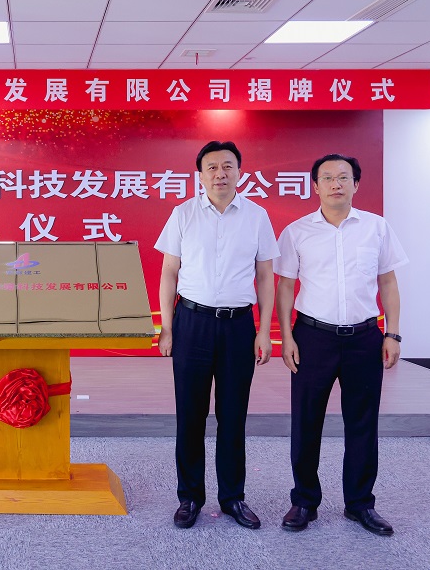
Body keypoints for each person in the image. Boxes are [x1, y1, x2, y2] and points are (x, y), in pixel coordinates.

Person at [275, 153, 407, 536]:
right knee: (306, 422)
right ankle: (304, 501)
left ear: (356, 184)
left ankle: (360, 504)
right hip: (312, 338)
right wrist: (286, 337)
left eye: (344, 177)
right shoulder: (296, 232)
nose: (336, 183)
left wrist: (393, 333)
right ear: (315, 186)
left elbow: (388, 282)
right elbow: (285, 287)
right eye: (328, 177)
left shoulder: (376, 228)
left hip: (365, 338)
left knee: (363, 422)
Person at [154, 141, 279, 530]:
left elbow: (265, 276)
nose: (220, 173)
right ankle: (190, 497)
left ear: (240, 172)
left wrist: (264, 330)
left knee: (233, 416)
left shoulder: (256, 216)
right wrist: (167, 328)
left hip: (238, 326)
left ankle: (232, 498)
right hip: (192, 323)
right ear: (200, 174)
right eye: (212, 167)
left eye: (227, 166)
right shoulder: (183, 214)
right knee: (190, 415)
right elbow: (169, 273)